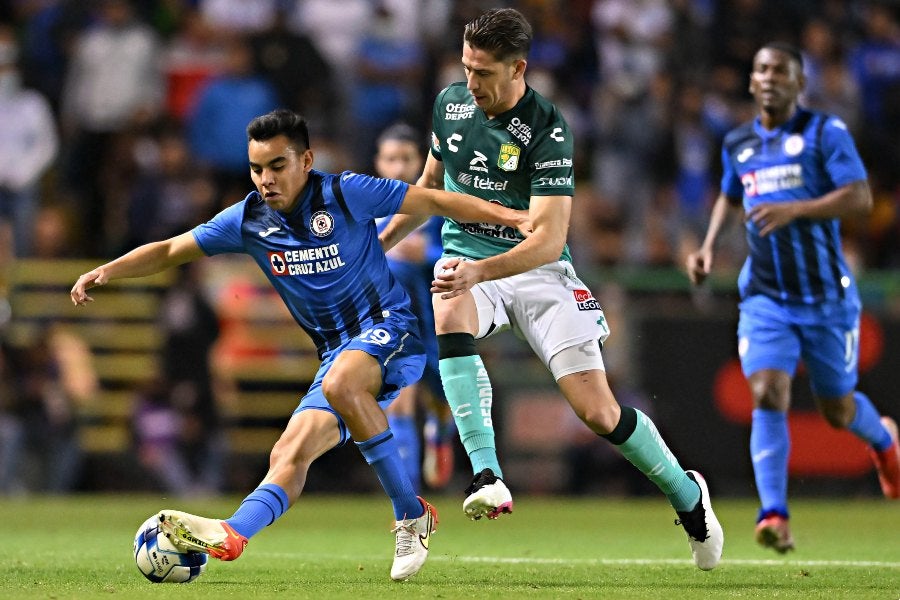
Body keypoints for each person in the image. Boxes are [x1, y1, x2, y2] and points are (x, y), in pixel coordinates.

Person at [70, 109, 530, 581]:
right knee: (289, 455)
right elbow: (171, 249)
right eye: (256, 169)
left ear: (306, 160)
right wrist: (108, 270)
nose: (265, 179)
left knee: (341, 384)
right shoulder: (249, 219)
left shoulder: (345, 192)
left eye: (277, 165)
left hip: (392, 330)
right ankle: (234, 533)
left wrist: (513, 216)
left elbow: (433, 200)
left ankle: (409, 513)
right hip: (337, 355)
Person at [379, 8, 723, 570]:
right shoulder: (450, 105)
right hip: (469, 262)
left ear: (518, 69)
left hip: (539, 274)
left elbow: (547, 241)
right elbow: (430, 187)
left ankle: (688, 497)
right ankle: (487, 475)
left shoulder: (548, 128)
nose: (471, 82)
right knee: (448, 295)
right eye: (466, 68)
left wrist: (482, 272)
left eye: (483, 72)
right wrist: (379, 245)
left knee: (599, 413)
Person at [686, 42, 900, 555]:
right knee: (766, 391)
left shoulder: (826, 133)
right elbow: (730, 195)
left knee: (837, 411)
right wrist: (708, 246)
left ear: (800, 83)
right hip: (765, 297)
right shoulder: (738, 141)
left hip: (825, 297)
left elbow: (860, 198)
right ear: (751, 81)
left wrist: (795, 209)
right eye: (761, 70)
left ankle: (886, 441)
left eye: (780, 71)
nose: (769, 78)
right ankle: (774, 514)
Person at [375, 123, 456, 491]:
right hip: (389, 321)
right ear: (378, 163)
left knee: (443, 395)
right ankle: (410, 502)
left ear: (419, 161)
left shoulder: (435, 206)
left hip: (434, 317)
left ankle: (439, 430)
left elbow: (464, 251)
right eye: (391, 159)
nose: (398, 167)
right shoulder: (366, 209)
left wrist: (429, 254)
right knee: (399, 402)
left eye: (406, 159)